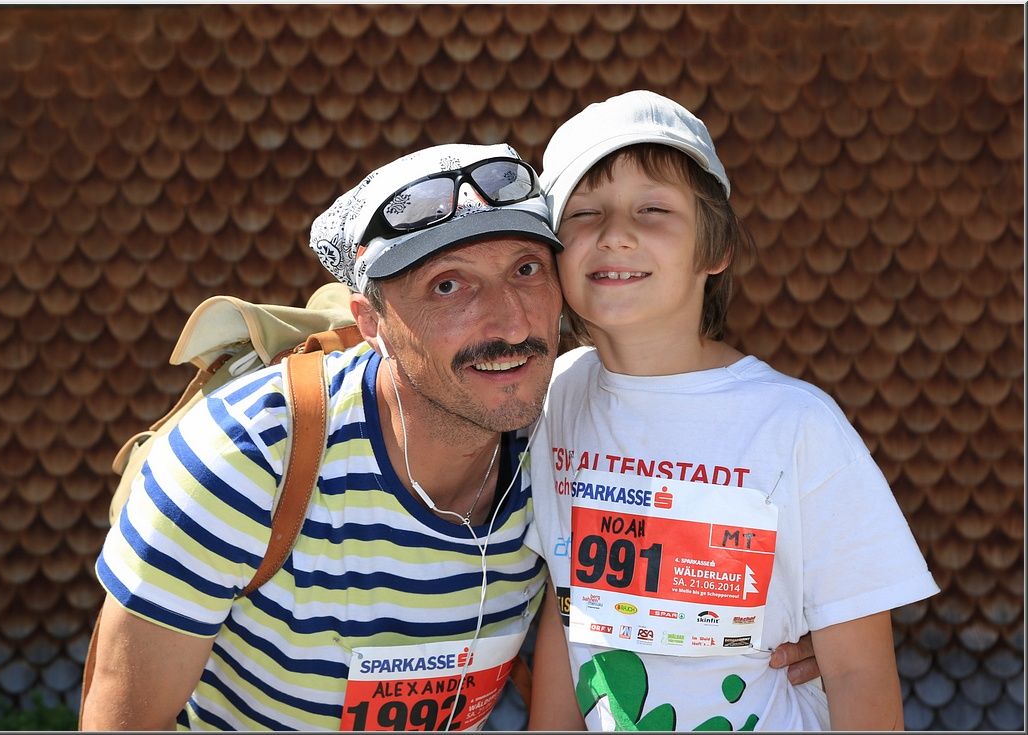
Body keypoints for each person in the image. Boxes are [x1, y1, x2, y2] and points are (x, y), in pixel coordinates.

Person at [82, 141, 819, 731]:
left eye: (526, 269)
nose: (510, 322)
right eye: (448, 285)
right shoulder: (247, 460)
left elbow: (680, 583)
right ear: (372, 322)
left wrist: (794, 625)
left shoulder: (567, 440)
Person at [524, 90, 940, 731]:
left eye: (653, 209)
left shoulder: (796, 426)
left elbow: (858, 673)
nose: (615, 234)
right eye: (583, 213)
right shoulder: (554, 397)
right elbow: (571, 610)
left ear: (715, 249)